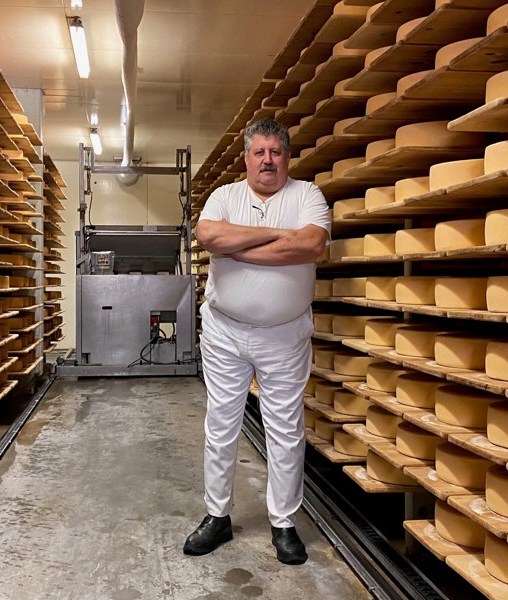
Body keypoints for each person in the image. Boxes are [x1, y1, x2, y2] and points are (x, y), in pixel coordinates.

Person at [184, 118, 330, 565]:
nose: (268, 160)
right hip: (226, 331)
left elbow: (310, 246)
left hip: (284, 335)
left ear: (287, 157)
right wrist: (281, 234)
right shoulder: (224, 196)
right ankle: (217, 517)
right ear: (246, 158)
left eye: (276, 152)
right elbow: (208, 235)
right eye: (259, 152)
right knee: (221, 424)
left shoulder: (307, 195)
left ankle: (283, 523)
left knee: (285, 430)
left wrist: (239, 247)